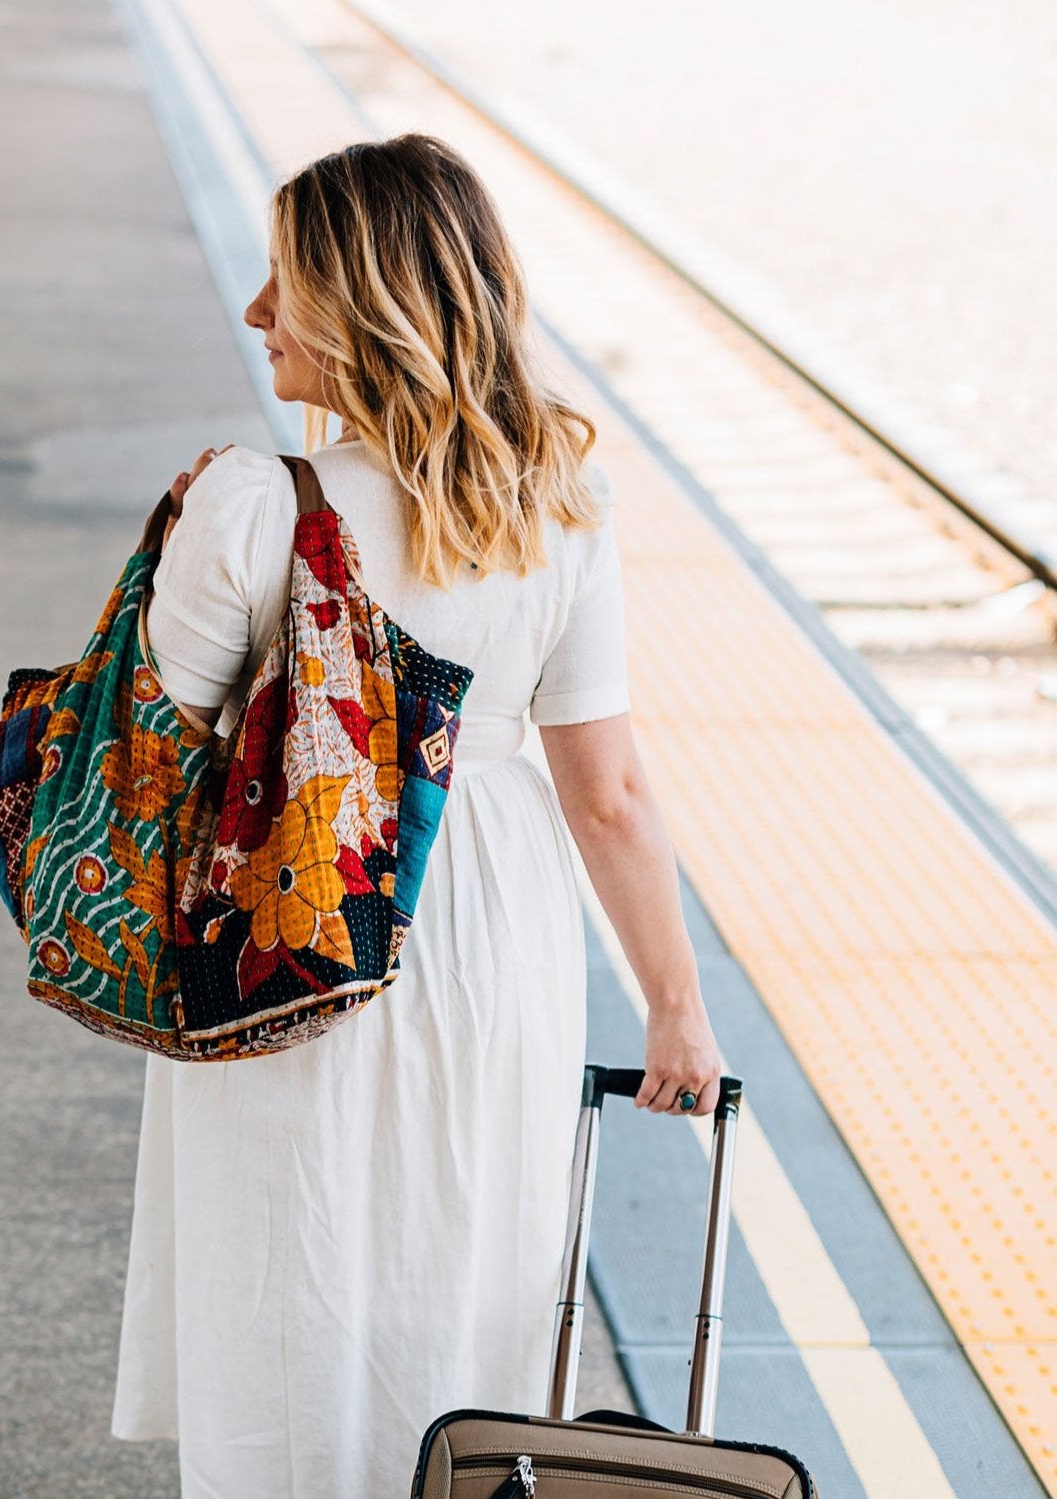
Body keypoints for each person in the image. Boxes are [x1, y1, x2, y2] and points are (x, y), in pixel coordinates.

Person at [109, 133, 725, 1498]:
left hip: (291, 911)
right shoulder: (562, 502)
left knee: (287, 1264)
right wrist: (674, 1006)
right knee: (469, 1264)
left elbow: (155, 764)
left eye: (288, 281)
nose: (258, 309)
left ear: (368, 301)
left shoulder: (254, 503)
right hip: (495, 917)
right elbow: (607, 793)